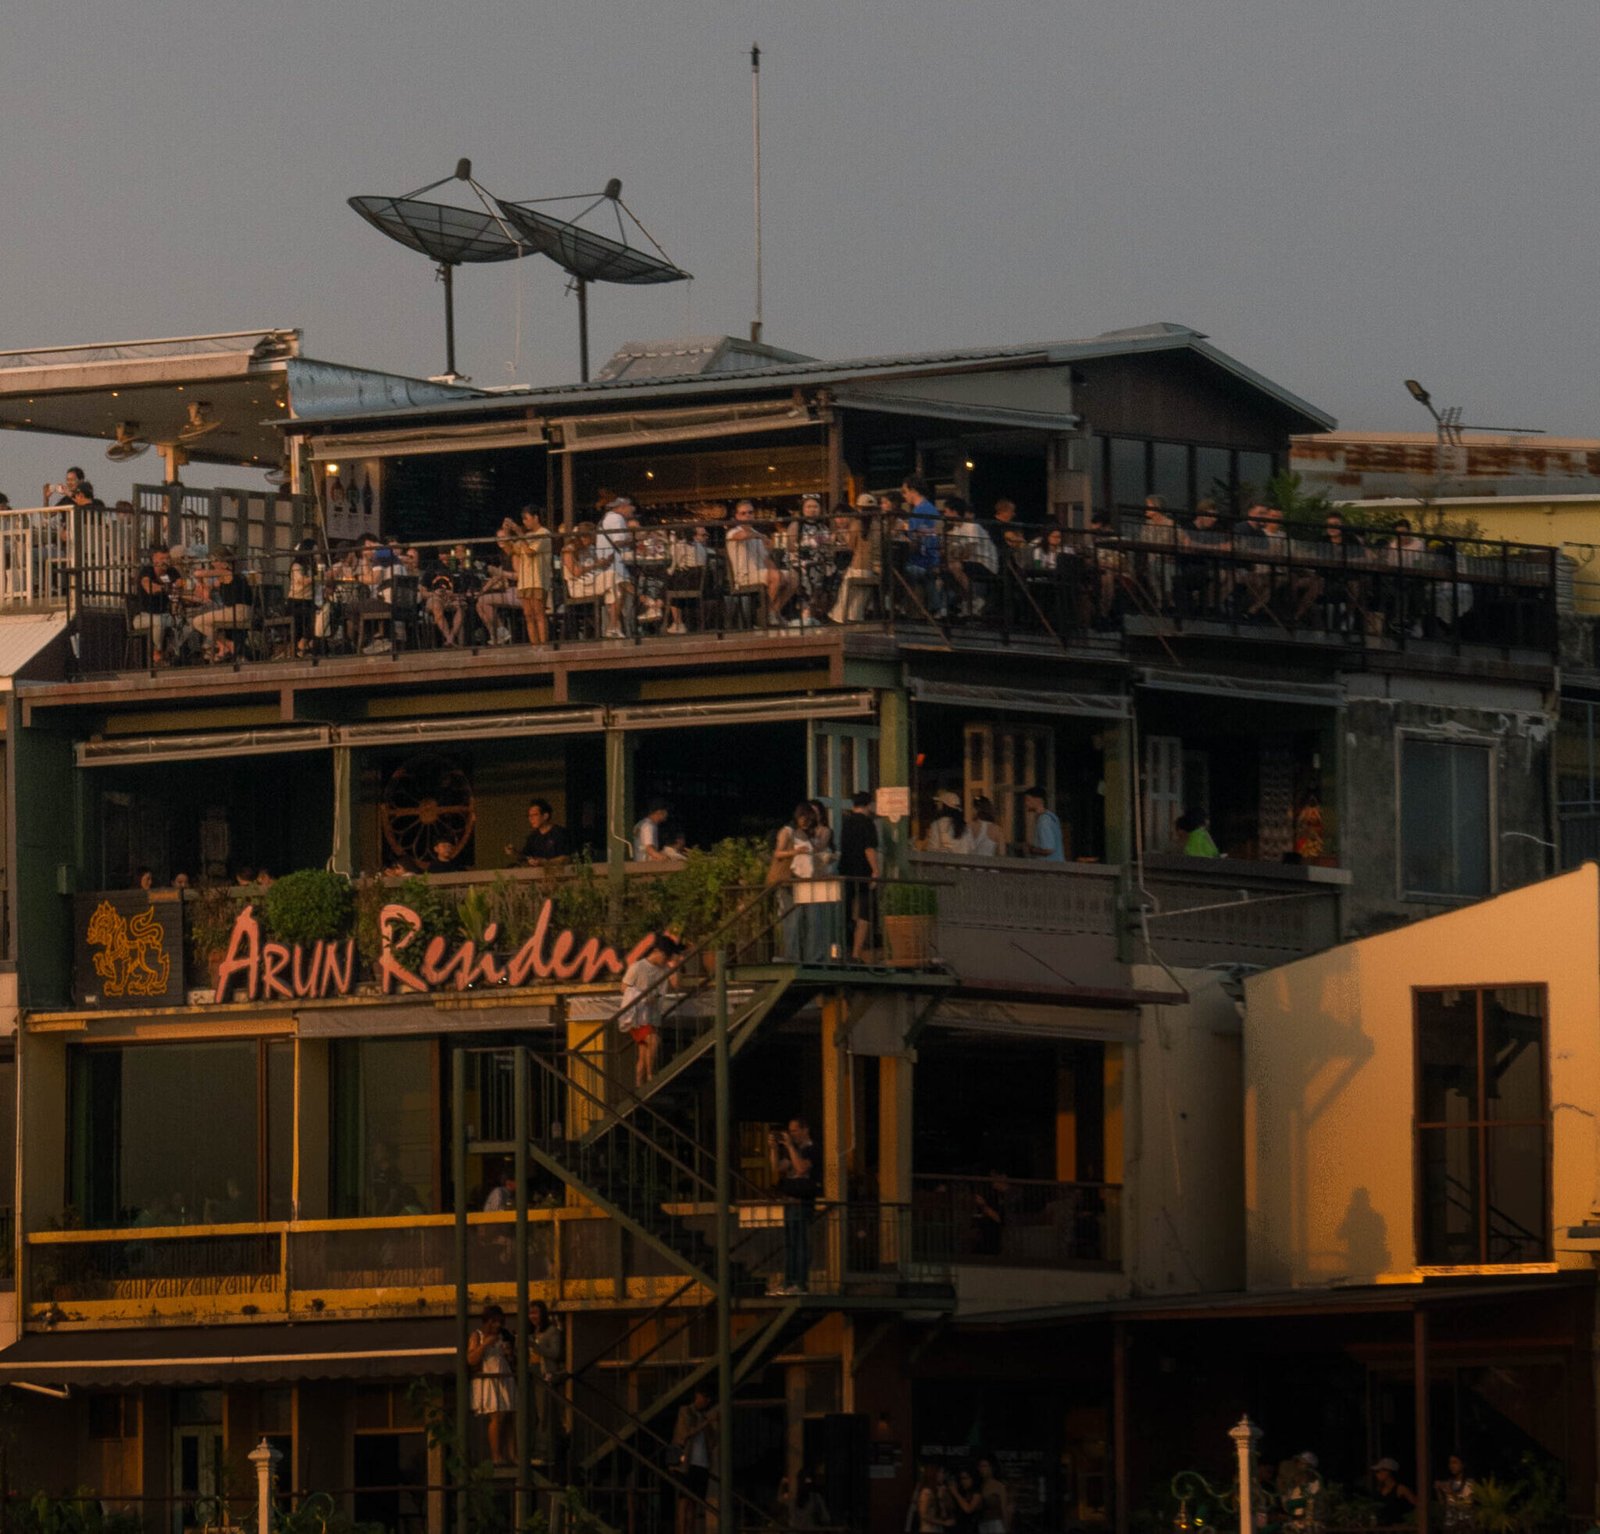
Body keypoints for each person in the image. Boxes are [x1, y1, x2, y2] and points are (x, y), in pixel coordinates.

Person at [768, 1118, 819, 1295]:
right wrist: (774, 1149)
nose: (792, 1134)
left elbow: (801, 1168)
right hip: (790, 1202)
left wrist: (790, 1147)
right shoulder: (794, 1150)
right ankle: (788, 1282)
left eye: (795, 1130)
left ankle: (800, 1283)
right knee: (790, 1244)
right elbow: (777, 1168)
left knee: (800, 1244)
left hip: (803, 1202)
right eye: (790, 1131)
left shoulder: (812, 1149)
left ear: (805, 1130)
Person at [619, 934, 677, 1086]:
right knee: (654, 1040)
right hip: (637, 1016)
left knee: (644, 1051)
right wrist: (643, 997)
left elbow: (676, 984)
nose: (665, 960)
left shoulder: (664, 968)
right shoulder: (638, 967)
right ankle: (651, 1076)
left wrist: (674, 965)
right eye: (665, 957)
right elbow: (624, 988)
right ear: (657, 951)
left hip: (652, 1015)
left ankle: (639, 1082)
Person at [727, 499, 796, 619]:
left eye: (750, 512)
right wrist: (760, 536)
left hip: (761, 573)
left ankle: (771, 612)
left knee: (793, 577)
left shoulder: (756, 534)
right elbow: (741, 536)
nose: (747, 515)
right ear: (737, 516)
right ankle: (766, 616)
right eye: (743, 513)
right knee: (775, 576)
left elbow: (766, 560)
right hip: (744, 576)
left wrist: (774, 565)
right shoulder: (733, 532)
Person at [466, 1304, 515, 1465]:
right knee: (496, 1416)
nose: (497, 1325)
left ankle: (512, 1454)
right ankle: (496, 1456)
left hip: (503, 1376)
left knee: (509, 1416)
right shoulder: (477, 1336)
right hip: (488, 1379)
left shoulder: (503, 1336)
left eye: (500, 1322)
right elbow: (471, 1359)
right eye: (494, 1322)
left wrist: (509, 1354)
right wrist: (485, 1344)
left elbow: (510, 1358)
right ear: (487, 1321)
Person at [190, 547, 254, 663]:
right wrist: (202, 584)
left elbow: (197, 573)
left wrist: (200, 579)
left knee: (198, 621)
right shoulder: (229, 576)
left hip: (237, 611)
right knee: (209, 621)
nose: (213, 564)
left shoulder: (226, 572)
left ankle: (228, 645)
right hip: (242, 611)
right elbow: (207, 591)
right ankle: (224, 647)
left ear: (225, 563)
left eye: (215, 560)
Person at [838, 790, 880, 961]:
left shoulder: (846, 822)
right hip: (863, 873)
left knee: (848, 911)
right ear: (868, 805)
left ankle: (843, 950)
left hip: (846, 871)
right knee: (865, 912)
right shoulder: (867, 823)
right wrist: (875, 870)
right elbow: (869, 849)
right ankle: (856, 952)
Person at [501, 506, 553, 646]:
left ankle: (543, 645)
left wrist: (519, 533)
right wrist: (507, 533)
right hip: (524, 580)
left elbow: (530, 552)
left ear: (536, 517)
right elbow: (510, 550)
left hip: (537, 579)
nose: (524, 522)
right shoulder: (527, 535)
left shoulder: (544, 533)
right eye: (523, 519)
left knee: (539, 614)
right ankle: (534, 645)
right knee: (528, 615)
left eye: (527, 518)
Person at [672, 1385, 720, 1534]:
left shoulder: (704, 1417)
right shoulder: (685, 1411)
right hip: (687, 1464)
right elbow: (685, 1433)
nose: (706, 1402)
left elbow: (713, 1441)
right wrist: (706, 1422)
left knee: (694, 1504)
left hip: (702, 1464)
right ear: (698, 1396)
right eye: (705, 1398)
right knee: (684, 1502)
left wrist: (711, 1424)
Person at [943, 496, 998, 618]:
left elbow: (968, 551)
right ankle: (967, 602)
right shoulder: (956, 529)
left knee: (955, 566)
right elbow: (954, 551)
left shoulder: (972, 527)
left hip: (985, 563)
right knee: (947, 569)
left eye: (946, 511)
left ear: (954, 512)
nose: (944, 514)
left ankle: (974, 599)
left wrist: (954, 556)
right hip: (971, 562)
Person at [528, 1299, 564, 1464]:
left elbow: (555, 1353)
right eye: (530, 1313)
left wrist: (536, 1347)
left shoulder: (552, 1332)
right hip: (530, 1375)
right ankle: (534, 1449)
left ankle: (544, 1452)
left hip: (544, 1374)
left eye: (536, 1312)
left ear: (543, 1314)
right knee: (533, 1414)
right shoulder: (530, 1332)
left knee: (545, 1414)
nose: (533, 1316)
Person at [132, 542, 177, 661]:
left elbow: (177, 589)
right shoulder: (147, 571)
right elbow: (149, 587)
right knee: (158, 621)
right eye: (162, 558)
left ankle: (174, 650)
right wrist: (165, 588)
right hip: (143, 616)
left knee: (182, 622)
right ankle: (157, 652)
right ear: (154, 559)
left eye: (167, 558)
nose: (165, 561)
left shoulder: (170, 573)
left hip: (165, 615)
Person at [508, 799, 570, 866]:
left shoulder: (559, 833)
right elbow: (525, 857)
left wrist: (545, 862)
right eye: (529, 816)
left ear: (545, 816)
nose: (531, 819)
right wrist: (514, 852)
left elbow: (566, 858)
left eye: (534, 815)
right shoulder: (533, 837)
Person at [1435, 1455, 1475, 1533]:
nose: (1451, 1466)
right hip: (1449, 1526)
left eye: (1455, 1462)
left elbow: (1466, 1507)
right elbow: (1444, 1505)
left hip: (1465, 1527)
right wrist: (1438, 1491)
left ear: (1463, 1465)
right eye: (1450, 1463)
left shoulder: (1470, 1483)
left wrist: (1451, 1492)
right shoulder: (1449, 1482)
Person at [1023, 786, 1065, 861]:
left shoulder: (1044, 821)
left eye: (1028, 800)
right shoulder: (1049, 818)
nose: (1026, 803)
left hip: (1049, 865)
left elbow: (1048, 849)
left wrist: (1031, 849)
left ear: (1038, 800)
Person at [971, 1172, 1008, 1257]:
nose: (992, 1180)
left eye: (995, 1176)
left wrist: (983, 1205)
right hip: (985, 1237)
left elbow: (998, 1218)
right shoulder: (992, 1194)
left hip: (995, 1239)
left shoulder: (1005, 1196)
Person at [1370, 1460, 1416, 1526]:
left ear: (1388, 1472)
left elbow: (1419, 1505)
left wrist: (1409, 1521)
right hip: (1382, 1528)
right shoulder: (1379, 1490)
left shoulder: (1401, 1489)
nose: (1377, 1474)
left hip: (1399, 1528)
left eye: (1379, 1471)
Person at [915, 1465, 955, 1534]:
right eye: (940, 1472)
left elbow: (944, 1513)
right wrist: (943, 1522)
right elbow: (923, 1515)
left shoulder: (938, 1490)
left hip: (937, 1529)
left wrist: (942, 1498)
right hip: (928, 1529)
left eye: (943, 1473)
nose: (943, 1475)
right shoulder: (927, 1492)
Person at [975, 1458, 1011, 1534]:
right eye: (980, 1466)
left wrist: (1006, 1526)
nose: (982, 1469)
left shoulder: (999, 1486)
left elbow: (1004, 1508)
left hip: (996, 1523)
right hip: (982, 1523)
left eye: (985, 1466)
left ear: (991, 1468)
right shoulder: (979, 1486)